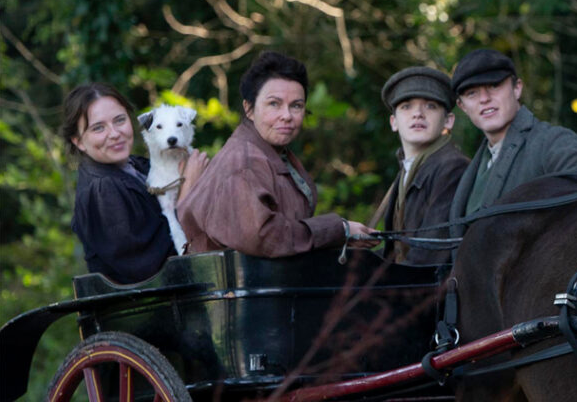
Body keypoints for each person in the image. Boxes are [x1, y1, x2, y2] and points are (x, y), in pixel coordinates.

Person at [177, 51, 376, 257]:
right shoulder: (243, 162)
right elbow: (264, 238)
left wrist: (342, 237)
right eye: (274, 104)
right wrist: (339, 229)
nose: (287, 116)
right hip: (231, 278)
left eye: (296, 106)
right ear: (249, 109)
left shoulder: (274, 153)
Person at [63, 84, 206, 282]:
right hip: (156, 300)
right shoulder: (102, 190)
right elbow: (148, 269)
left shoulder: (139, 167)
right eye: (98, 128)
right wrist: (187, 190)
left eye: (119, 120)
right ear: (78, 141)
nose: (114, 133)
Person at [446, 48, 577, 234]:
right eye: (472, 93)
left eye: (494, 86)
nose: (484, 99)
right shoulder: (475, 167)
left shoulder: (553, 141)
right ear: (462, 106)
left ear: (517, 88)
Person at [369, 66, 467, 265]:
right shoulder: (408, 169)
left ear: (448, 121)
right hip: (407, 279)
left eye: (430, 106)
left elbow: (429, 255)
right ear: (393, 122)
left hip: (429, 283)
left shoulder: (452, 168)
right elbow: (394, 252)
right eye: (406, 106)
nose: (418, 114)